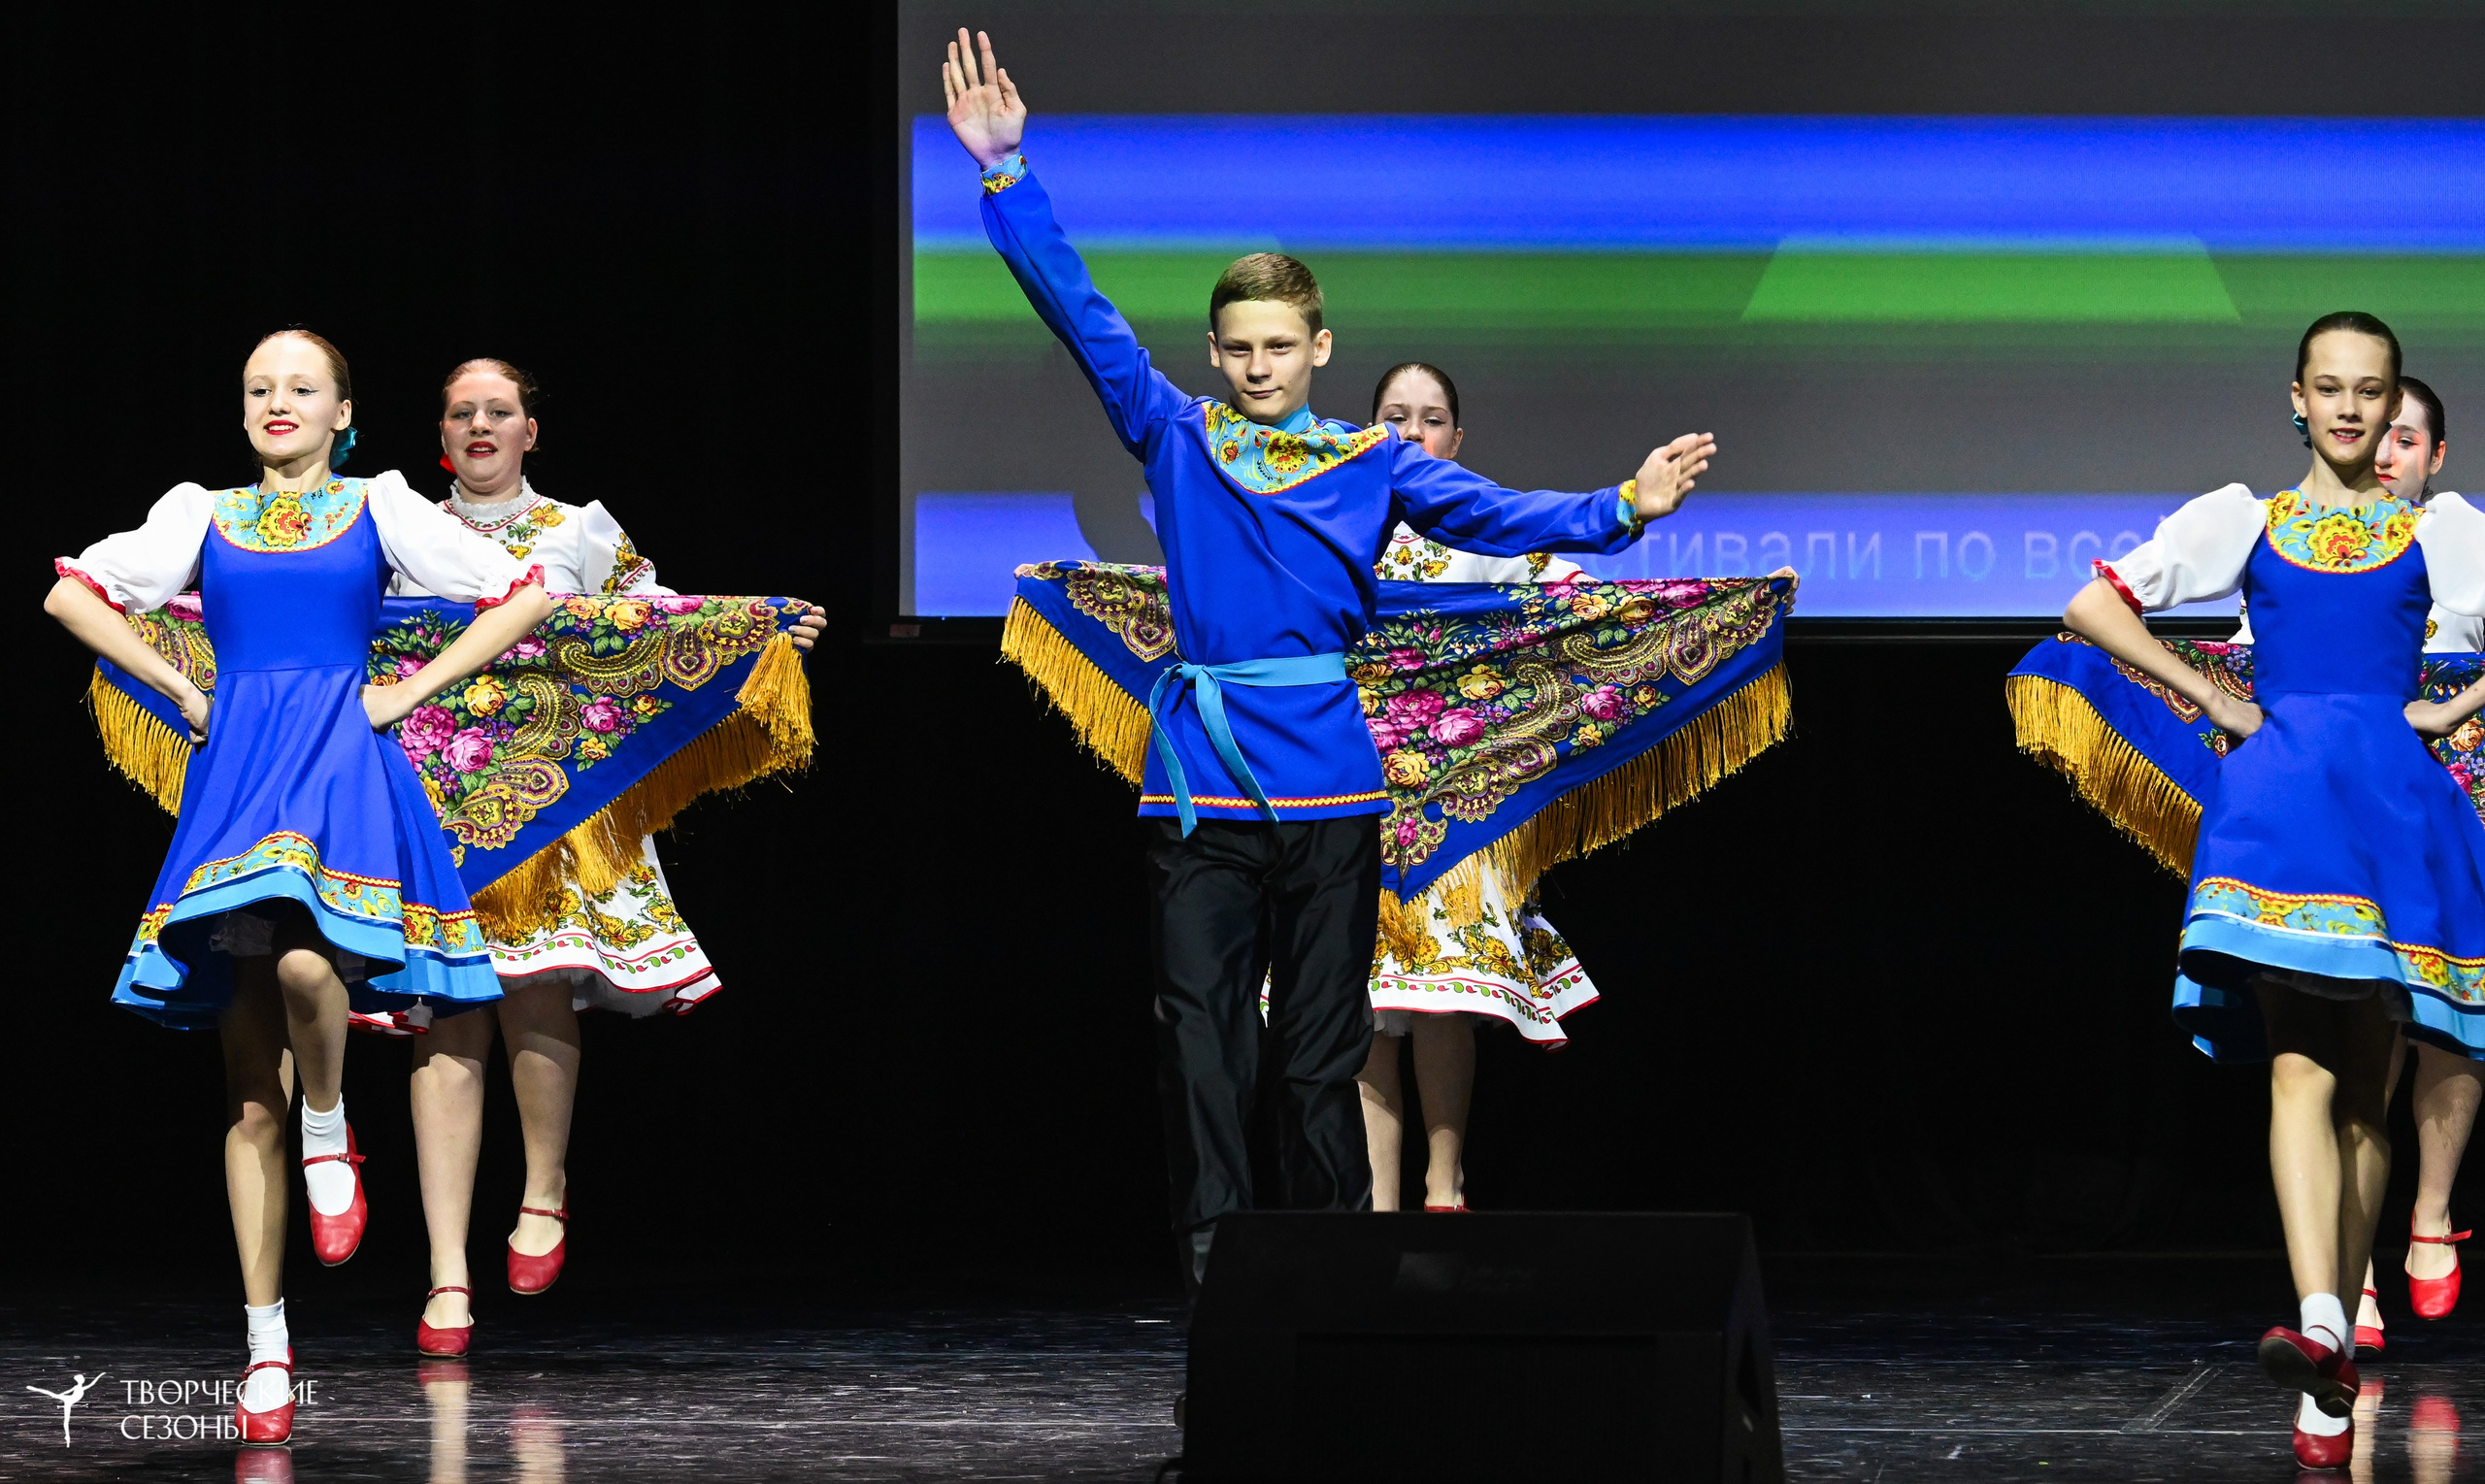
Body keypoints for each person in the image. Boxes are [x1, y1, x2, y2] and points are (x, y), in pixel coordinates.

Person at [944, 30, 1711, 1290]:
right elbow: (1078, 313)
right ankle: (1215, 1270)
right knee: (1199, 1040)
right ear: (1214, 354)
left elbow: (1499, 514)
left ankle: (1331, 1272)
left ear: (1318, 349)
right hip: (1199, 777)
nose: (1256, 367)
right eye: (1236, 349)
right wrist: (1008, 171)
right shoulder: (1175, 434)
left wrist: (1621, 503)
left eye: (1277, 348)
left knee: (1318, 1045)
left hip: (1330, 787)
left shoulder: (1374, 461)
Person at [48, 330, 552, 1445]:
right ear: (242, 413)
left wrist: (407, 689)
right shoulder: (200, 511)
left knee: (309, 955)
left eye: (301, 388)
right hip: (237, 771)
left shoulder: (381, 504)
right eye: (259, 389)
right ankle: (266, 1340)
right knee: (242, 1077)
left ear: (344, 413)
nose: (278, 402)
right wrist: (180, 687)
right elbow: (72, 596)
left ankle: (332, 1121)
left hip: (338, 762)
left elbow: (522, 590)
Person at [2062, 313, 2485, 1468]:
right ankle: (2315, 1315)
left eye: (2371, 391)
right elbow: (2094, 607)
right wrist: (2221, 701)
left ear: (2393, 401)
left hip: (2392, 810)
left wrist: (2453, 707)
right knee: (2301, 1058)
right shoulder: (2243, 518)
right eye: (2329, 389)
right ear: (2294, 398)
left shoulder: (2436, 528)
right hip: (2286, 807)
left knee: (2363, 1087)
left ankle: (2333, 1349)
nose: (2350, 409)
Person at [395, 358, 823, 1356]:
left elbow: (661, 623)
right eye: (462, 412)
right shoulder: (401, 531)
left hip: (556, 810)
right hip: (437, 812)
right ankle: (447, 1271)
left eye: (499, 410)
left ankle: (544, 1187)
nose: (481, 425)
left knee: (537, 991)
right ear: (441, 436)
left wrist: (762, 625)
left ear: (530, 430)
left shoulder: (581, 529)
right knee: (445, 1019)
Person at [1360, 361, 1595, 1212]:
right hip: (1353, 788)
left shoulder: (1486, 529)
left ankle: (1442, 1181)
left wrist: (1724, 600)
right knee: (1364, 997)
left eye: (1430, 419)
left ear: (1456, 441)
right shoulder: (1335, 521)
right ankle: (1379, 1200)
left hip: (1458, 804)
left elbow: (1588, 610)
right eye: (1394, 416)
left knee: (1440, 992)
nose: (1412, 431)